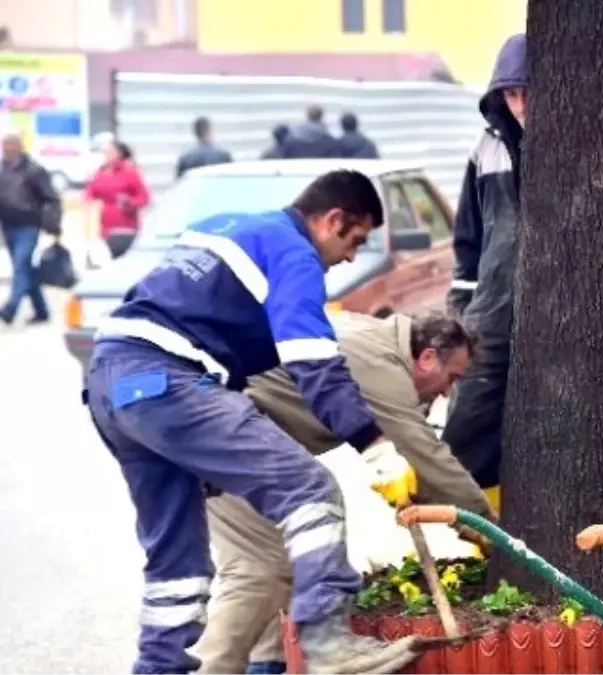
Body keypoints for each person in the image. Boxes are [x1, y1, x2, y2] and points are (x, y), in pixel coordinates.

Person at [83, 169, 430, 675]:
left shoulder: (222, 226)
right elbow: (313, 361)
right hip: (167, 378)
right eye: (354, 240)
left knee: (177, 571)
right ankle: (328, 641)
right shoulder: (292, 251)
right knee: (310, 490)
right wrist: (374, 446)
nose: (353, 256)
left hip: (112, 385)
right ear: (332, 219)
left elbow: (178, 309)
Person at [196, 311, 490, 675]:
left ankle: (264, 668)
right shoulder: (381, 365)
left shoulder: (371, 339)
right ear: (428, 357)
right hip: (222, 431)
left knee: (279, 567)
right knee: (256, 570)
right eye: (452, 378)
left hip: (234, 431)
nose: (447, 391)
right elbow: (423, 453)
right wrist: (485, 526)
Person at [441, 34, 527, 513]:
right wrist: (460, 315)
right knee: (467, 423)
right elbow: (468, 241)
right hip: (493, 309)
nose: (519, 105)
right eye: (510, 94)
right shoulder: (487, 149)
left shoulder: (580, 144)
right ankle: (477, 527)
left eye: (527, 92)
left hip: (560, 319)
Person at [0, 131, 60, 325]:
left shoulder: (33, 170)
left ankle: (10, 309)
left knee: (20, 265)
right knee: (26, 269)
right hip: (8, 225)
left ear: (20, 146)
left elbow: (51, 198)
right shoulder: (2, 169)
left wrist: (52, 223)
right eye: (4, 144)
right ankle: (41, 310)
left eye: (11, 144)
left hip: (28, 225)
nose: (7, 148)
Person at [84, 139, 149, 260]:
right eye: (105, 153)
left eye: (110, 152)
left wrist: (130, 202)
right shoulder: (100, 172)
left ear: (118, 153)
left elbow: (144, 197)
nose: (106, 156)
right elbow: (91, 191)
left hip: (126, 228)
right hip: (107, 228)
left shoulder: (130, 171)